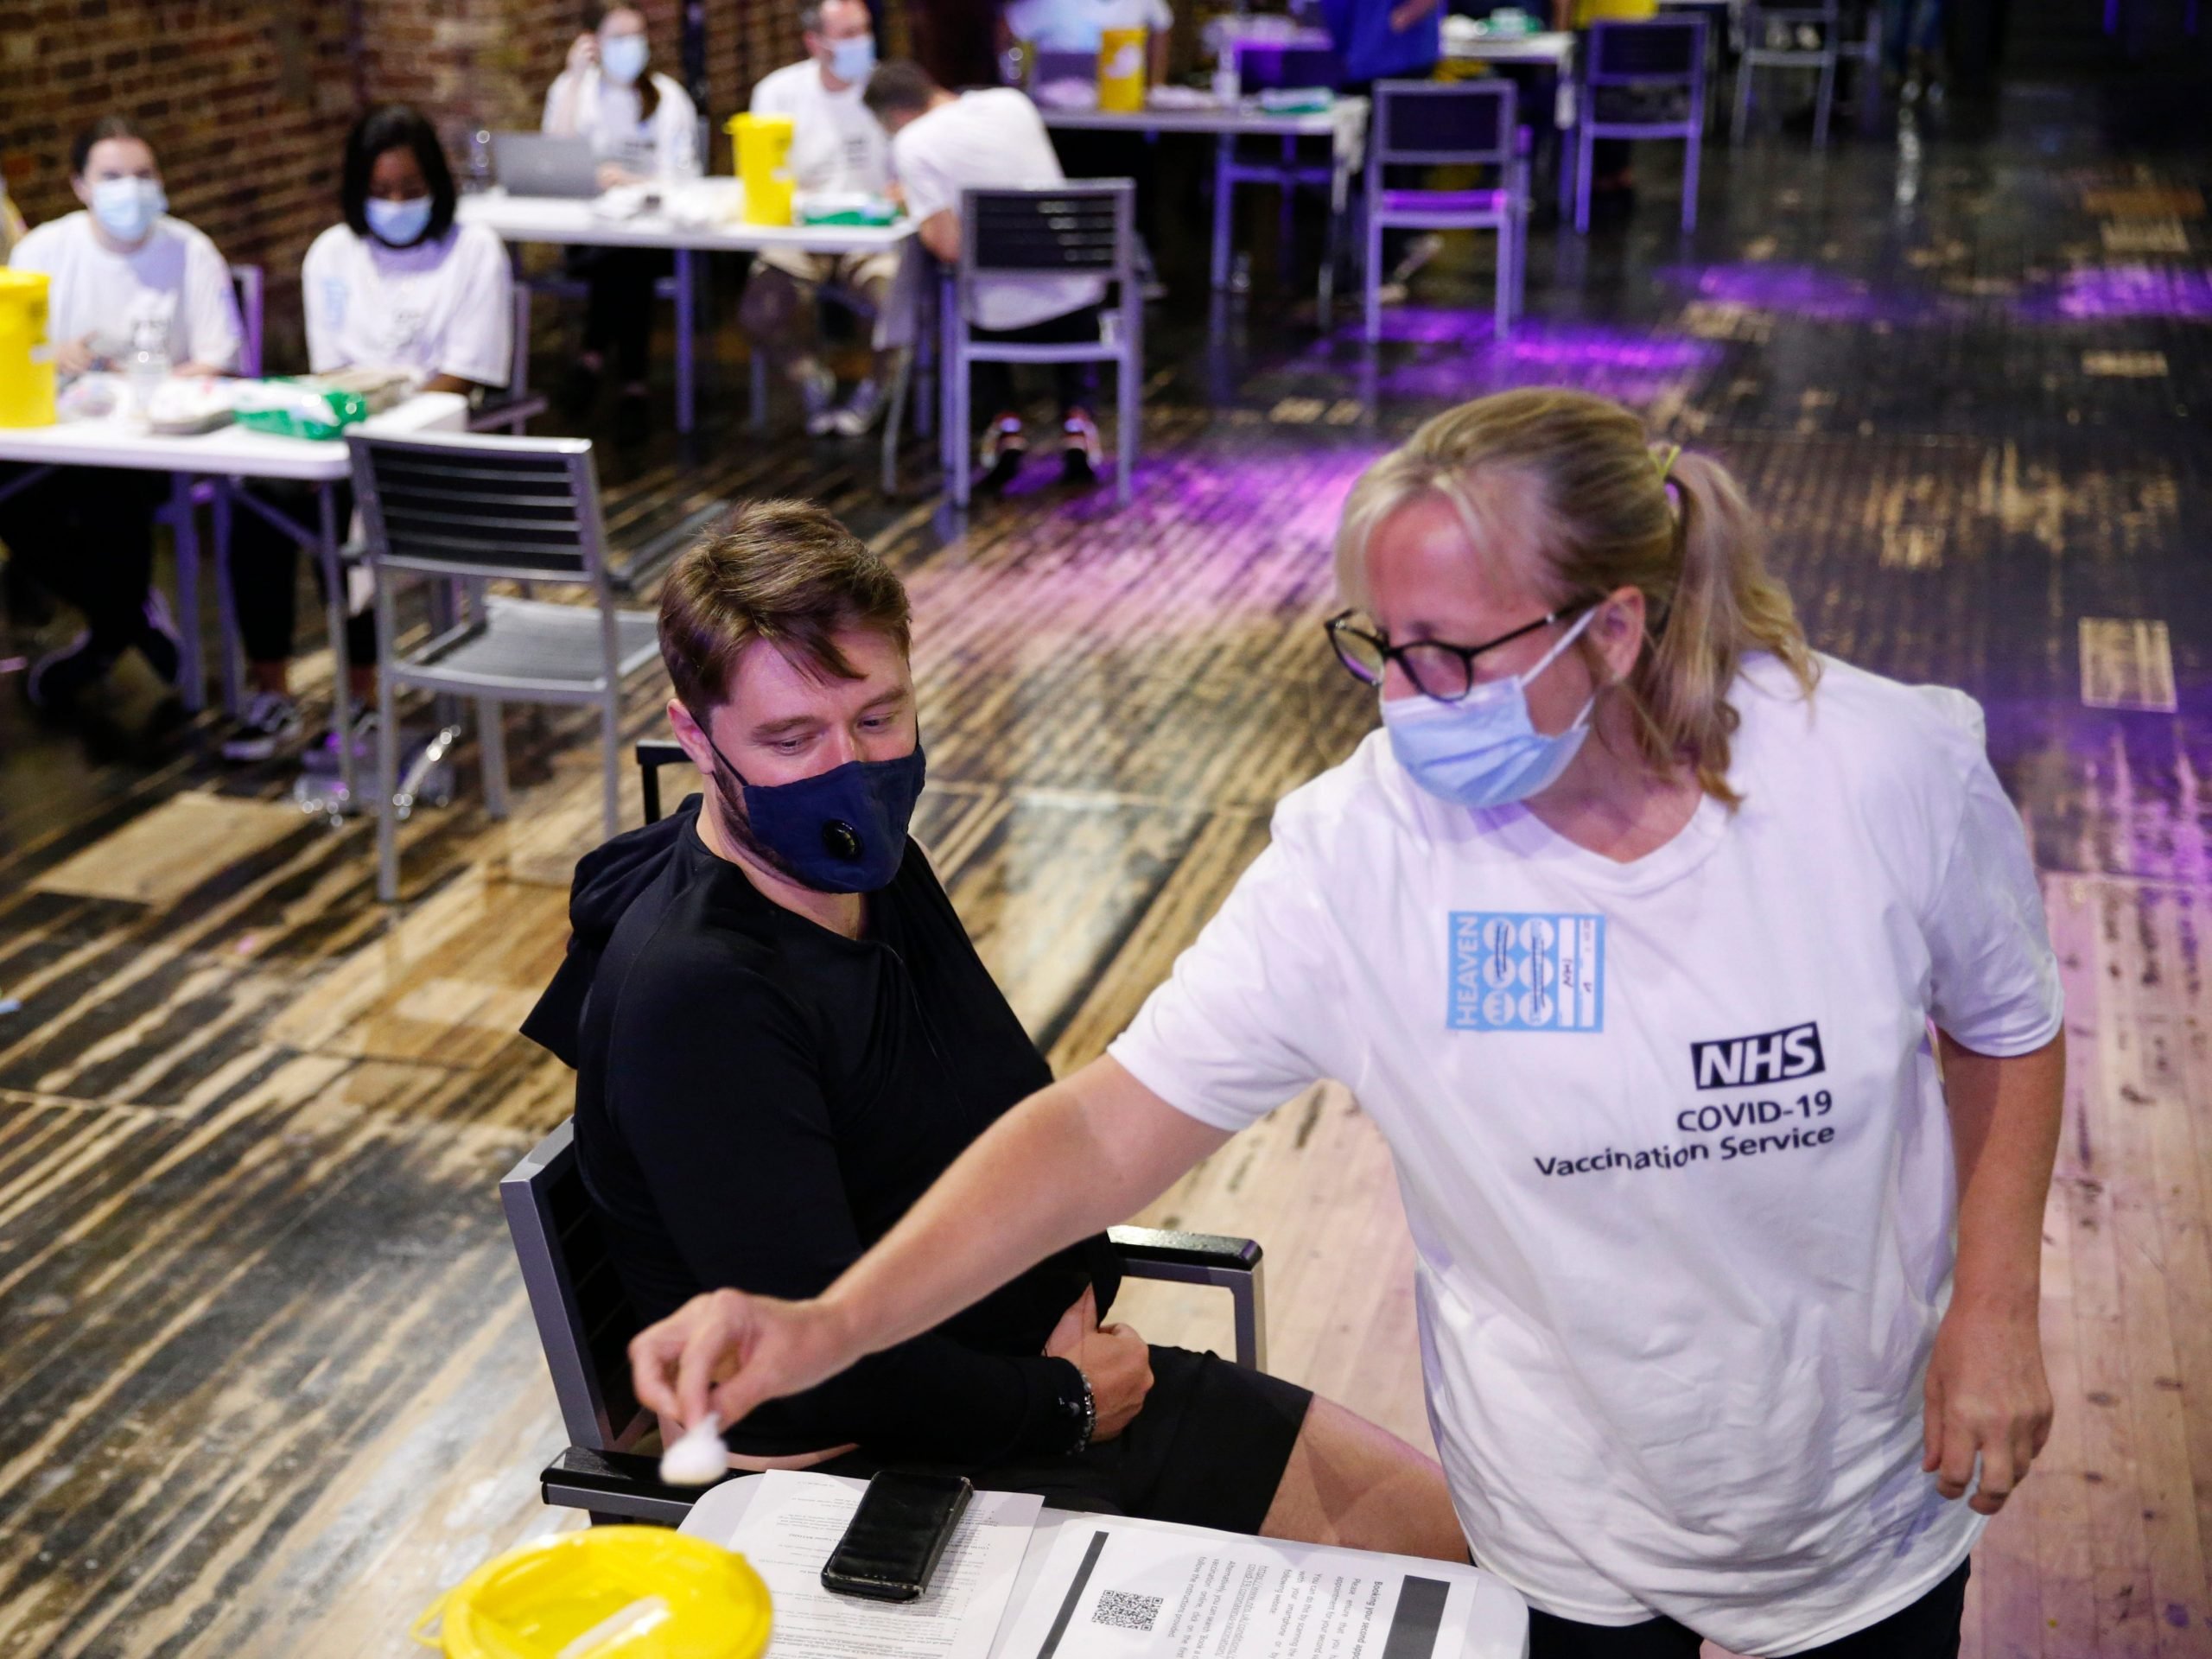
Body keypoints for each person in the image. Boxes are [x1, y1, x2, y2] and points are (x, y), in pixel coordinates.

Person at [629, 389, 2068, 1658]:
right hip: (1559, 1507)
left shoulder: (1880, 775)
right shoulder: (1363, 850)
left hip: (1855, 1486)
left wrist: (1997, 1306)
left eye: (1447, 654)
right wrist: (831, 1324)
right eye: (1380, 645)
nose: (1399, 698)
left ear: (1611, 628)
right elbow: (1106, 1126)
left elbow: (2006, 1025)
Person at [521, 502, 1466, 1553]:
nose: (849, 770)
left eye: (879, 719)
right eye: (790, 740)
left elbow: (1013, 1109)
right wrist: (1055, 1400)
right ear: (696, 737)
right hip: (904, 1468)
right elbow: (809, 1367)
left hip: (1053, 1387)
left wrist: (1070, 1310)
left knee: (1483, 1566)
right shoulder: (701, 996)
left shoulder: (867, 864)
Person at [220, 105, 512, 764]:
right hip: (348, 434)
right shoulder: (333, 254)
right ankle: (272, 691)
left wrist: (385, 423)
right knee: (257, 497)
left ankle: (365, 696)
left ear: (436, 184)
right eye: (381, 192)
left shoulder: (473, 251)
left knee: (347, 509)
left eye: (410, 189)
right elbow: (333, 372)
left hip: (434, 448)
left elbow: (464, 376)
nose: (397, 203)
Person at [1, 116, 242, 712]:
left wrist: (141, 383)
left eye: (141, 175)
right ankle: (129, 618)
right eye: (111, 176)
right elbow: (16, 356)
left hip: (158, 439)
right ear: (80, 185)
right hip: (64, 436)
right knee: (14, 496)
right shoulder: (42, 252)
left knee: (110, 494)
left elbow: (221, 361)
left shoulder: (189, 251)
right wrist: (51, 355)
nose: (128, 190)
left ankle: (111, 630)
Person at [862, 61, 1107, 493]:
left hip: (1000, 327)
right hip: (1080, 309)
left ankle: (1005, 423)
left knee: (959, 287)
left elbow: (948, 245)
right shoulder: (1011, 103)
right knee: (1055, 273)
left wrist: (914, 208)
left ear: (896, 116)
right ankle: (1078, 420)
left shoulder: (913, 144)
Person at [739, 0, 901, 439]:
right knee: (762, 307)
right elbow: (762, 176)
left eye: (864, 30)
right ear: (815, 42)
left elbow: (915, 169)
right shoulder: (778, 93)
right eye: (847, 33)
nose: (861, 42)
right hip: (799, 232)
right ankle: (808, 377)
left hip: (872, 238)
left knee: (896, 301)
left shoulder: (888, 89)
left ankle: (875, 390)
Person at [543, 3, 701, 443]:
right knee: (621, 262)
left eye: (638, 35)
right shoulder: (575, 90)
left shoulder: (668, 97)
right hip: (589, 234)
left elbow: (685, 175)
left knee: (629, 259)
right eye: (618, 37)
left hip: (654, 236)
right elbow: (554, 160)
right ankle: (632, 383)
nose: (630, 47)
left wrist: (630, 179)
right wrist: (574, 79)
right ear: (593, 42)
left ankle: (593, 357)